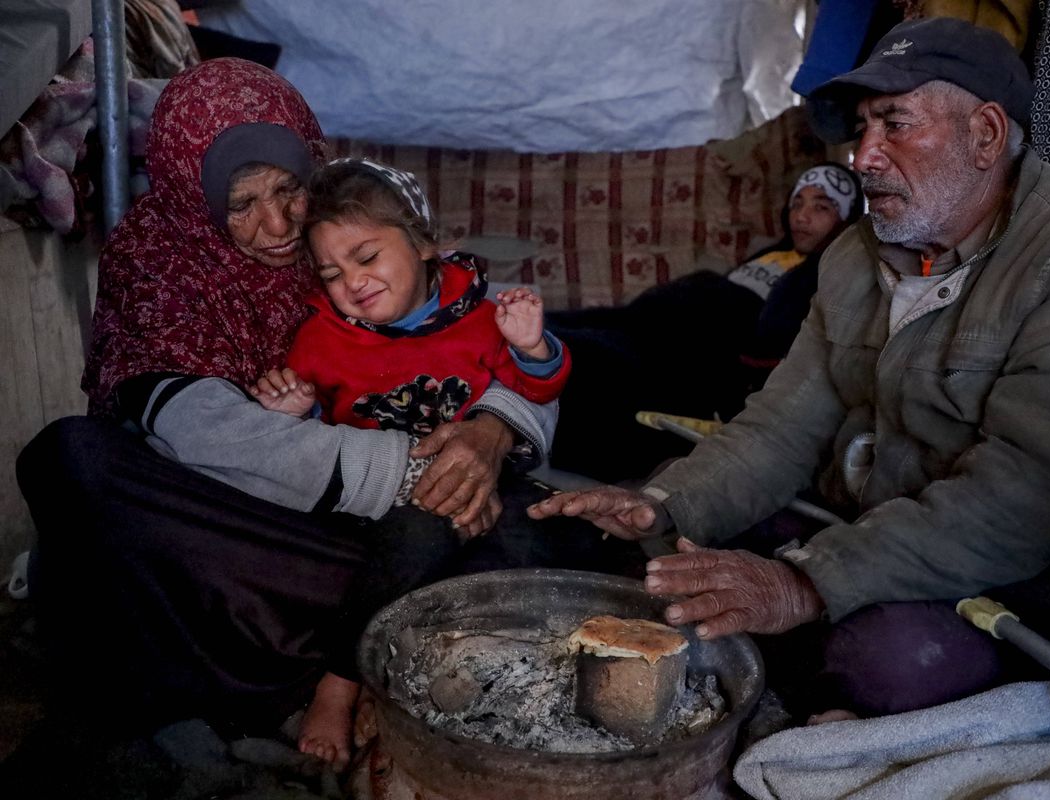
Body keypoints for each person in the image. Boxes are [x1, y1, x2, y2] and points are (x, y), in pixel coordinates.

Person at [530, 16, 1050, 721]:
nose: (865, 156)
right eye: (863, 128)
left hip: (1042, 585)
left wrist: (804, 583)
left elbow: (1025, 505)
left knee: (884, 663)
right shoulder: (858, 254)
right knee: (662, 563)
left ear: (987, 136)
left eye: (896, 124)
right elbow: (781, 427)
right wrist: (667, 504)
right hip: (870, 536)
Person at [15, 58, 559, 735]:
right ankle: (359, 650)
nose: (276, 227)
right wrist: (423, 473)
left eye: (287, 190)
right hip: (243, 534)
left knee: (531, 529)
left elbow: (500, 352)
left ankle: (372, 639)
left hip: (386, 532)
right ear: (196, 196)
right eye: (240, 205)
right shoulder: (161, 260)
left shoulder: (344, 226)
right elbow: (212, 439)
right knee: (71, 459)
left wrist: (489, 432)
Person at [249, 158, 571, 767]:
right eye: (332, 272)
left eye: (367, 257)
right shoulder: (321, 339)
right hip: (385, 509)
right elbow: (324, 448)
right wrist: (297, 412)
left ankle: (480, 674)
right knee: (420, 532)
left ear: (425, 245)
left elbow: (537, 392)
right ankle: (341, 682)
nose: (353, 282)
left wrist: (532, 346)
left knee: (555, 531)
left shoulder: (483, 315)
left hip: (491, 489)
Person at [548, 163, 865, 482]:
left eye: (821, 207)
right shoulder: (778, 252)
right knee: (554, 323)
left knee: (570, 351)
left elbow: (765, 344)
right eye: (797, 203)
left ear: (844, 221)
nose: (802, 216)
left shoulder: (821, 276)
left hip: (682, 353)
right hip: (649, 320)